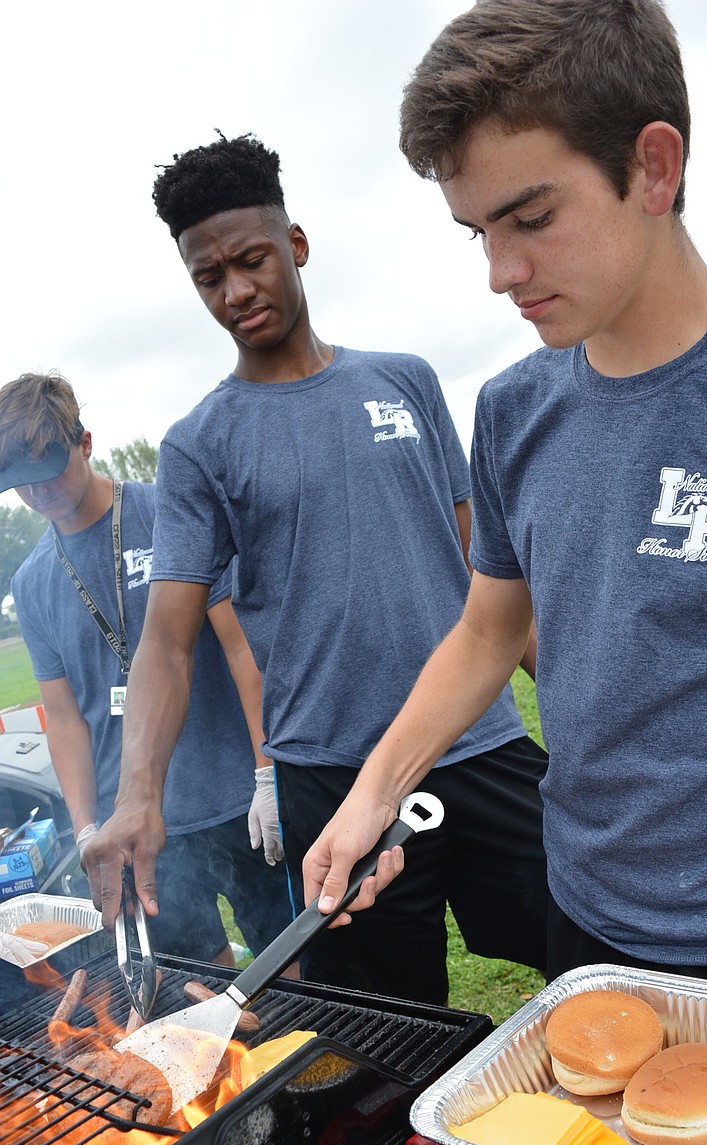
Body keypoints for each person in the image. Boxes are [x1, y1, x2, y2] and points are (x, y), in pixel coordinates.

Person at [302, 0, 707, 1003]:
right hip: (587, 916)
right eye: (477, 231)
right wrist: (371, 795)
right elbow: (484, 634)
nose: (501, 273)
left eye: (532, 218)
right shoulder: (514, 410)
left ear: (653, 166)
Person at [83, 133, 550, 1006]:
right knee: (384, 1025)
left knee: (590, 945)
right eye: (209, 278)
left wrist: (570, 689)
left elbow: (486, 569)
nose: (236, 292)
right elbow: (168, 644)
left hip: (478, 741)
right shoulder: (199, 445)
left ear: (295, 245)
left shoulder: (405, 382)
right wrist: (137, 793)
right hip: (331, 776)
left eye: (252, 261)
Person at [0, 371, 295, 964]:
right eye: (19, 483)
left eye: (48, 469)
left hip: (237, 800)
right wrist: (86, 828)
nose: (39, 494)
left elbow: (243, 650)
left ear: (85, 442)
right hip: (138, 822)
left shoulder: (169, 513)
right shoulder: (32, 583)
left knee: (292, 967)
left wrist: (267, 776)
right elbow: (65, 719)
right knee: (198, 986)